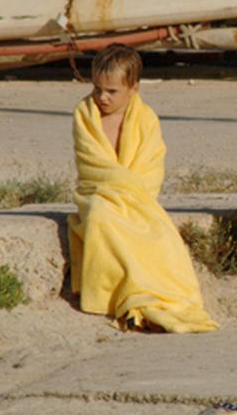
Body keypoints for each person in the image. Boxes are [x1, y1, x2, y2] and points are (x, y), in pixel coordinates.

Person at [67, 44, 218, 333]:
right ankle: (128, 296)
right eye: (97, 88)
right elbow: (91, 166)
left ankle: (148, 296)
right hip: (96, 194)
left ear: (133, 88)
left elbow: (150, 171)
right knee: (101, 216)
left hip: (138, 198)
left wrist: (130, 196)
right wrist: (117, 193)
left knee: (159, 234)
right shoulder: (85, 115)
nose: (102, 97)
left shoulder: (146, 119)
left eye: (112, 91)